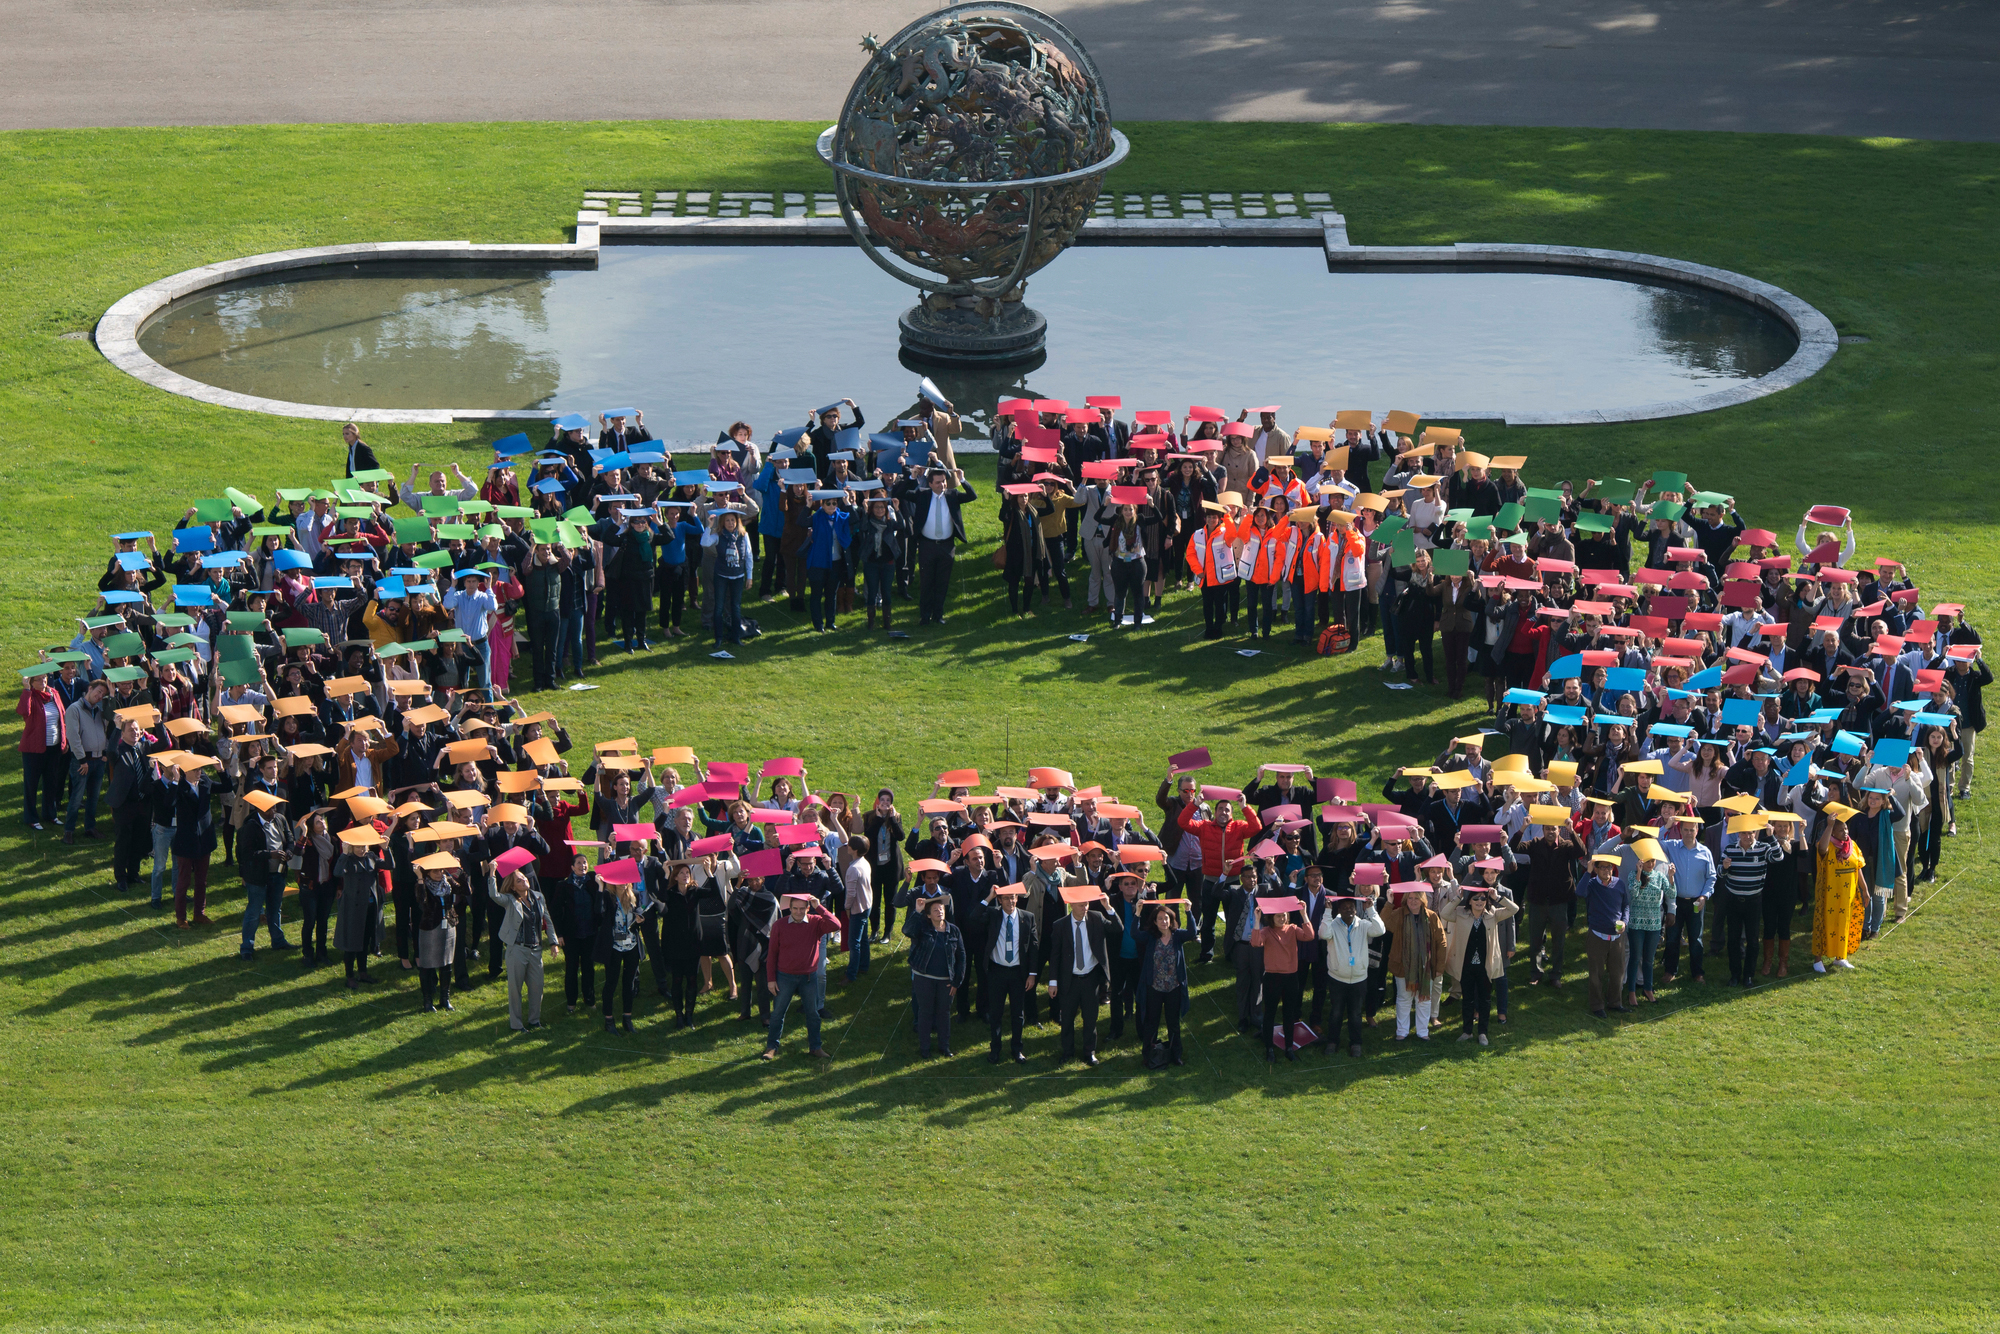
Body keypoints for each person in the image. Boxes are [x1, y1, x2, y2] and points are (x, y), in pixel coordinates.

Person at [1045, 886, 1120, 1066]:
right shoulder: (1060, 925)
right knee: (1068, 1018)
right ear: (1071, 905)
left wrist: (1108, 907)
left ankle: (1089, 1052)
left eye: (1086, 903)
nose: (1084, 907)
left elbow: (1118, 929)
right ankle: (1067, 1051)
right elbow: (1054, 956)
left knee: (1090, 1017)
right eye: (1080, 904)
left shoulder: (1097, 918)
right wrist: (1053, 982)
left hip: (1090, 979)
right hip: (1069, 980)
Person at [761, 892, 841, 1059]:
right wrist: (771, 979)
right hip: (784, 977)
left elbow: (836, 925)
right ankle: (771, 1047)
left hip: (809, 978)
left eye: (802, 908)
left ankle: (815, 1047)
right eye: (795, 908)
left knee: (813, 1014)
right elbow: (772, 954)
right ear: (789, 908)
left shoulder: (816, 922)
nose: (798, 912)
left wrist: (818, 907)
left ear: (807, 908)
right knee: (777, 1014)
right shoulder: (779, 925)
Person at [1442, 883, 1517, 1046]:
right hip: (1466, 965)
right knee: (1467, 999)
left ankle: (1483, 1032)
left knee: (1485, 999)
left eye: (1483, 898)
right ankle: (1467, 1031)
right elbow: (1444, 913)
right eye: (1475, 898)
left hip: (1485, 965)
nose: (1479, 901)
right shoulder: (1460, 913)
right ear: (1469, 901)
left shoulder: (1493, 914)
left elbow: (1514, 909)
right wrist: (1458, 897)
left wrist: (1497, 898)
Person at [973, 881, 1038, 1064]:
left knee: (1018, 1014)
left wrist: (1032, 974)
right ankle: (995, 1049)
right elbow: (974, 917)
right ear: (1000, 900)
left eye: (1013, 897)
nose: (1011, 901)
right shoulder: (993, 915)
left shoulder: (1027, 917)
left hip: (1018, 973)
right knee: (996, 1013)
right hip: (997, 972)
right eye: (1007, 898)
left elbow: (1034, 947)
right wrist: (989, 897)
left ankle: (1017, 1049)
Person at [489, 867, 560, 1030]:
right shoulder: (510, 899)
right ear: (513, 887)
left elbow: (547, 921)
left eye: (524, 878)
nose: (524, 881)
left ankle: (534, 1021)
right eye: (519, 880)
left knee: (537, 988)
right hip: (517, 949)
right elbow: (494, 895)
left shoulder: (538, 897)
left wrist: (553, 943)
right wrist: (492, 873)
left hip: (535, 950)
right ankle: (516, 1024)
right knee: (515, 990)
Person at [1319, 891, 1383, 1057]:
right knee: (1336, 1013)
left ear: (1356, 909)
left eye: (1351, 907)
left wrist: (1371, 910)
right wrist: (1327, 912)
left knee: (1355, 1014)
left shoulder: (1362, 924)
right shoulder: (1332, 924)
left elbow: (1380, 930)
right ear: (1339, 909)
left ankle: (1356, 1043)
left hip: (1359, 978)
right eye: (1345, 907)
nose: (1349, 910)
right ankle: (1332, 1042)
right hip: (1337, 977)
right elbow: (1323, 934)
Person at [910, 466, 976, 626]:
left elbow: (972, 496)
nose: (942, 485)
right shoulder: (923, 495)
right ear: (930, 484)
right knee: (926, 582)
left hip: (946, 546)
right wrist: (912, 478)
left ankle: (938, 615)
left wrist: (962, 479)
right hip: (927, 545)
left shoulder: (952, 495)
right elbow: (901, 493)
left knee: (942, 583)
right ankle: (924, 616)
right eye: (938, 482)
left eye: (944, 482)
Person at [1250, 897, 1314, 1061]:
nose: (1282, 918)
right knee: (1270, 1013)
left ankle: (1288, 1047)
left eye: (1284, 915)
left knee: (1289, 1013)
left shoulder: (1292, 929)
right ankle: (1269, 1048)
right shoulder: (1266, 931)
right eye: (1278, 916)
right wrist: (1256, 921)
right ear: (1271, 917)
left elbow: (1309, 935)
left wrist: (1304, 914)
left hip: (1291, 977)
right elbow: (1256, 943)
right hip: (1272, 977)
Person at [1135, 899, 1195, 1067]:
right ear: (1155, 921)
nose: (1164, 921)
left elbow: (1192, 932)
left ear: (1171, 920)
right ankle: (1149, 1055)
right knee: (1151, 1023)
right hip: (1154, 987)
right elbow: (1134, 934)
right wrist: (1138, 913)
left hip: (1174, 988)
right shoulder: (1150, 937)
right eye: (1160, 918)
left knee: (1173, 1024)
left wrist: (1188, 911)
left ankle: (1176, 1055)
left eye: (1166, 918)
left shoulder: (1178, 936)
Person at [904, 896, 966, 1057]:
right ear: (929, 915)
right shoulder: (922, 927)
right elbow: (907, 930)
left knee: (944, 1013)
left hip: (946, 982)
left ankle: (944, 1047)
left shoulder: (954, 930)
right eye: (935, 910)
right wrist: (917, 911)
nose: (939, 912)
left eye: (941, 909)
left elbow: (961, 956)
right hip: (924, 978)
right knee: (925, 1012)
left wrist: (956, 981)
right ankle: (924, 1048)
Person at [1383, 883, 1446, 1041]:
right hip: (1402, 967)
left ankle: (1422, 1031)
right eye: (1410, 898)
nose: (1413, 901)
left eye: (1416, 898)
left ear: (1422, 899)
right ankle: (1402, 1031)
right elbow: (1383, 924)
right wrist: (1389, 902)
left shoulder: (1431, 916)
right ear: (1405, 899)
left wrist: (1439, 967)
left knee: (1424, 999)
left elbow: (1441, 942)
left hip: (1426, 968)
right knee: (1404, 999)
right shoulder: (1398, 914)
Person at [1811, 803, 1867, 973]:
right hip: (1829, 893)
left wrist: (1864, 890)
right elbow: (1821, 848)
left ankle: (1840, 957)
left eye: (1846, 829)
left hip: (1848, 893)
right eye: (1841, 830)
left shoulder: (1852, 845)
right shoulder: (1827, 846)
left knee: (1844, 924)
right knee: (1825, 923)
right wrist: (1829, 825)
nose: (1846, 833)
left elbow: (1858, 867)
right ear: (1833, 832)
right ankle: (1818, 959)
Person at [596, 876, 650, 1033]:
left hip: (631, 945)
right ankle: (609, 1020)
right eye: (618, 881)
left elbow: (641, 913)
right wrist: (600, 887)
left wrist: (641, 919)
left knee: (629, 983)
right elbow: (598, 912)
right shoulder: (607, 897)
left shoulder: (635, 896)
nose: (622, 884)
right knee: (611, 983)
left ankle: (627, 1018)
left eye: (625, 880)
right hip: (614, 946)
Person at [1579, 853, 1629, 1018]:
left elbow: (1625, 906)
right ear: (1597, 869)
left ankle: (1615, 1003)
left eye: (1609, 867)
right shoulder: (1592, 884)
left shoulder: (1619, 884)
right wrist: (1588, 872)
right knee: (1596, 973)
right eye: (1602, 867)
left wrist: (1624, 921)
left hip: (1617, 938)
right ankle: (1597, 1006)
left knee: (1617, 972)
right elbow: (1579, 892)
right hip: (1597, 936)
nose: (1606, 870)